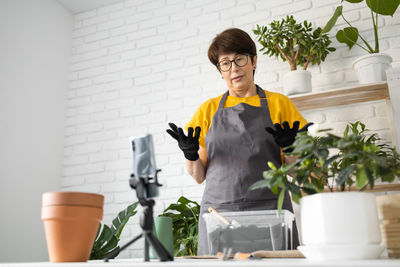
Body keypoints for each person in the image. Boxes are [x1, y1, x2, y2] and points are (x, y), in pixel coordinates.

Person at [166, 28, 312, 255]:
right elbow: (198, 176)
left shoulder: (280, 104)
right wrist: (190, 154)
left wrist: (290, 147)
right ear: (219, 70)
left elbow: (298, 171)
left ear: (253, 61)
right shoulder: (208, 110)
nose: (233, 68)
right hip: (220, 217)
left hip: (271, 215)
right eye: (225, 63)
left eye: (239, 59)